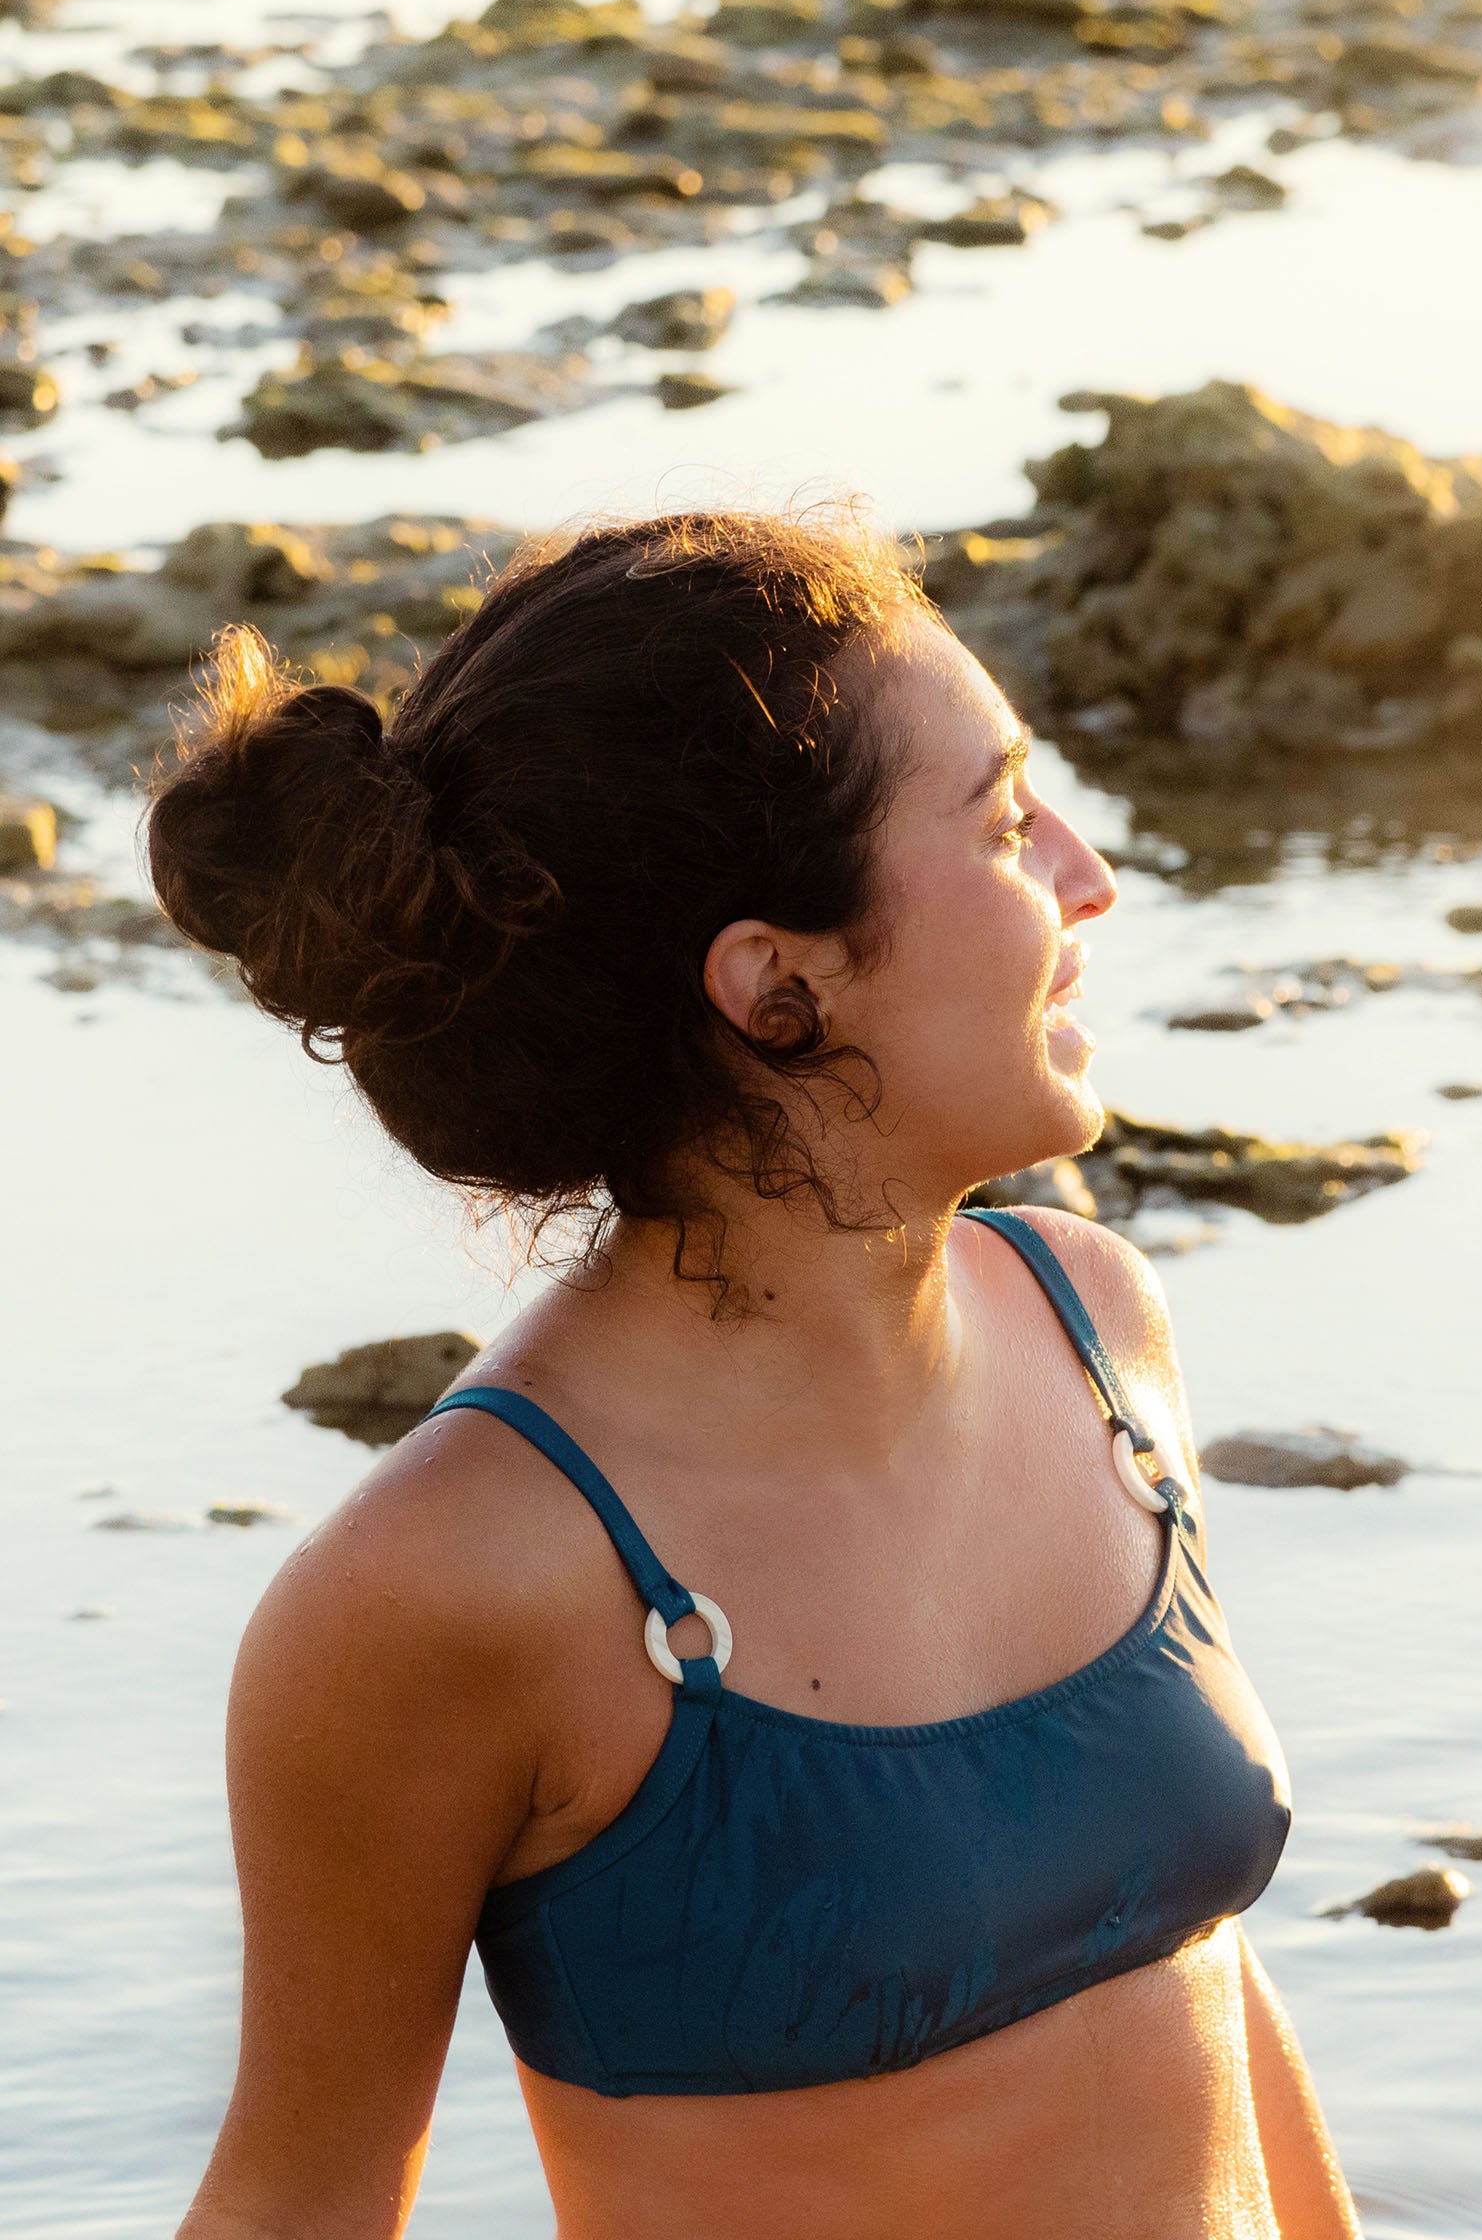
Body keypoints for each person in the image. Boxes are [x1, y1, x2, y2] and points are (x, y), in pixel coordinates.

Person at [150, 510, 1359, 2240]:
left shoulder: (1096, 1330)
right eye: (1005, 823)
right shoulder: (449, 1586)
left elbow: (1198, 1969)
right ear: (776, 987)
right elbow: (302, 2202)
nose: (1090, 877)